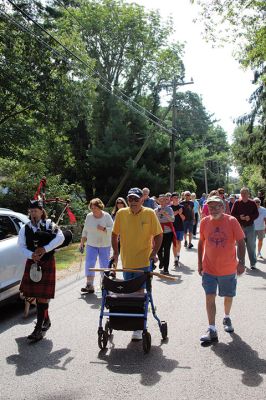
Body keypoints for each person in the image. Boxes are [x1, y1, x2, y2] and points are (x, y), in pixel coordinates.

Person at [112, 187, 163, 340]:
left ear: (142, 199)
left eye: (136, 199)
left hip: (143, 261)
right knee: (129, 292)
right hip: (127, 261)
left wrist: (153, 253)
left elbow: (159, 235)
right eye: (130, 199)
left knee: (139, 293)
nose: (133, 202)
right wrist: (115, 253)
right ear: (128, 200)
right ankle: (134, 318)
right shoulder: (121, 213)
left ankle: (138, 327)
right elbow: (114, 234)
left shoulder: (149, 213)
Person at [198, 196, 246, 343]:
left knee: (228, 296)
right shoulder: (205, 222)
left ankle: (226, 317)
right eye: (210, 207)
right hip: (209, 268)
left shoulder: (232, 221)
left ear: (223, 207)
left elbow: (241, 242)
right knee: (209, 296)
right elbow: (201, 243)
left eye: (217, 206)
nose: (213, 209)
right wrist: (199, 263)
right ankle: (211, 328)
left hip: (228, 269)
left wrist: (242, 262)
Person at [18, 200, 65, 341]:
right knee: (34, 296)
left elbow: (61, 238)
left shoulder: (50, 225)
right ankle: (46, 319)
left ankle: (37, 329)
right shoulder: (25, 228)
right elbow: (21, 245)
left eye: (36, 211)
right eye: (31, 211)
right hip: (33, 263)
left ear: (41, 211)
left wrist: (45, 249)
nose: (33, 213)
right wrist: (30, 255)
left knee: (41, 297)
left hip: (47, 262)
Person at [80, 198, 113, 293]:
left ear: (100, 207)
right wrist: (82, 242)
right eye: (92, 208)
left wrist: (104, 229)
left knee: (104, 263)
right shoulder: (89, 216)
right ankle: (89, 284)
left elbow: (113, 228)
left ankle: (105, 284)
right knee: (90, 263)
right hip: (91, 244)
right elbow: (85, 230)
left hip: (104, 244)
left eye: (95, 208)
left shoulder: (106, 216)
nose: (93, 210)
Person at [231, 187, 259, 269]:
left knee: (251, 245)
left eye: (245, 193)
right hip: (240, 227)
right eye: (242, 193)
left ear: (248, 194)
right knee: (240, 245)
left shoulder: (252, 203)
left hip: (250, 226)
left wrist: (250, 217)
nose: (243, 195)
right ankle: (241, 262)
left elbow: (256, 214)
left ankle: (253, 263)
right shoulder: (237, 203)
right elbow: (232, 214)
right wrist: (239, 217)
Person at [155, 194, 175, 274]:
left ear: (166, 201)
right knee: (158, 250)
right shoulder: (155, 209)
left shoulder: (169, 209)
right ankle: (161, 261)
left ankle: (166, 268)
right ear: (158, 201)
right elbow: (153, 220)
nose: (162, 202)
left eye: (164, 200)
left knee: (167, 250)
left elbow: (172, 219)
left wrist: (166, 214)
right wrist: (157, 213)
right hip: (159, 232)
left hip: (168, 232)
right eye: (161, 200)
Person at [171, 192, 185, 267]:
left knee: (179, 242)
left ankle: (178, 254)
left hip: (180, 227)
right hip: (172, 227)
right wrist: (176, 212)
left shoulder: (182, 206)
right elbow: (169, 217)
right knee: (174, 243)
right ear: (172, 199)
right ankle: (175, 259)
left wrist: (180, 214)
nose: (176, 199)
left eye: (177, 197)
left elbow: (184, 218)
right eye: (174, 197)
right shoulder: (169, 207)